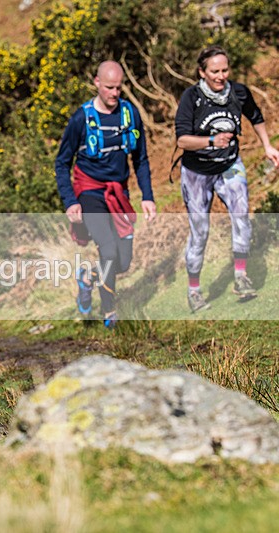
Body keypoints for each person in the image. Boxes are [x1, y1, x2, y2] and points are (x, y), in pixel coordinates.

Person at [175, 45, 279, 312]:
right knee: (201, 232)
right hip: (197, 173)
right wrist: (211, 140)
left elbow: (256, 116)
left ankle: (241, 277)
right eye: (214, 71)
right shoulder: (192, 97)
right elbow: (182, 140)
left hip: (230, 165)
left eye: (225, 70)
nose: (221, 76)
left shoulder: (239, 92)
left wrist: (267, 146)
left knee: (242, 216)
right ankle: (194, 291)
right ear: (202, 72)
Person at [55, 61, 157, 328]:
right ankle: (109, 310)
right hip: (89, 191)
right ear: (97, 83)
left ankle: (88, 277)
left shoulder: (130, 113)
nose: (114, 93)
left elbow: (141, 159)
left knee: (123, 262)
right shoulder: (81, 119)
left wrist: (147, 196)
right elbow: (62, 162)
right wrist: (70, 202)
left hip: (118, 193)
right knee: (109, 251)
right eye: (109, 87)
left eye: (118, 88)